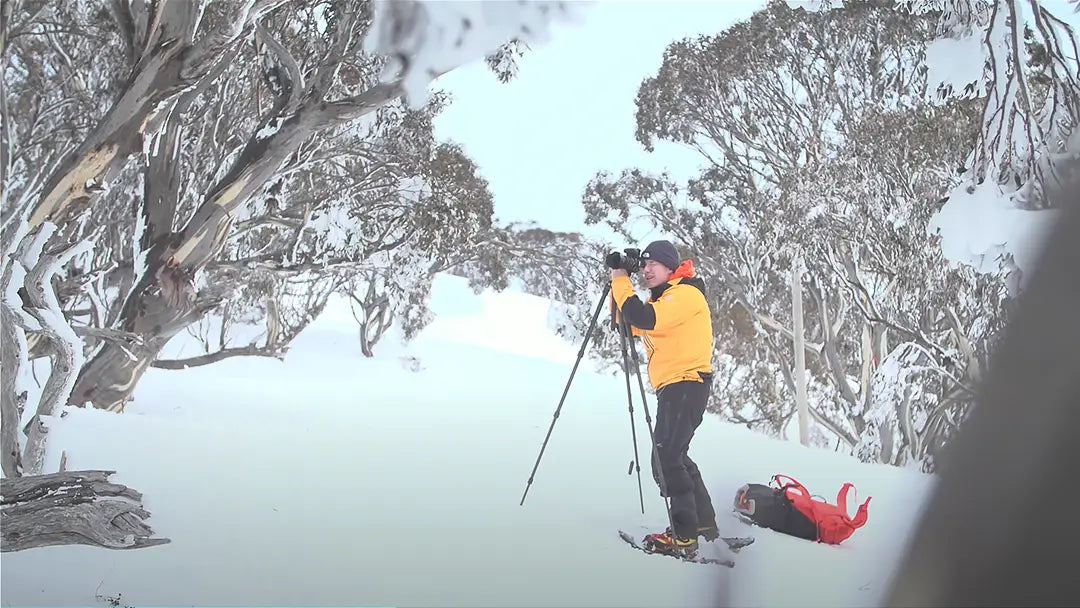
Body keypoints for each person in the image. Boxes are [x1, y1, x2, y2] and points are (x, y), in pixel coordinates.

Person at [607, 239, 717, 556]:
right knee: (675, 457)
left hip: (686, 384)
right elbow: (626, 324)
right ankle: (703, 526)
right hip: (678, 388)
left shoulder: (685, 294)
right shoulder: (666, 300)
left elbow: (641, 318)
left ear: (671, 267)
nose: (646, 270)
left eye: (653, 264)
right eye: (643, 265)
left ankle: (683, 537)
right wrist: (618, 283)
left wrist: (619, 277)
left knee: (667, 460)